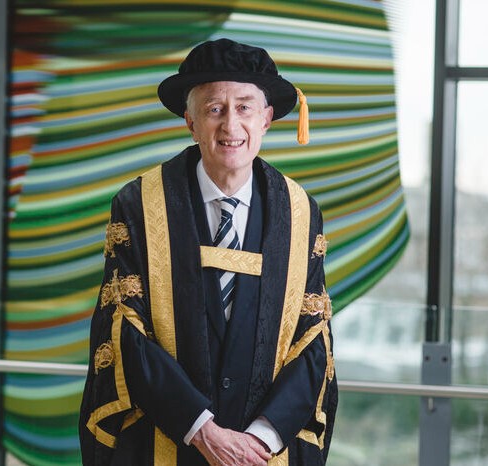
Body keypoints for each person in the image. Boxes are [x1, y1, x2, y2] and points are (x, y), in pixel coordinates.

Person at [78, 38, 338, 466]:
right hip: (166, 439)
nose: (230, 126)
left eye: (244, 108)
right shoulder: (140, 205)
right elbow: (124, 329)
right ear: (190, 121)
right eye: (214, 109)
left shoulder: (301, 213)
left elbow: (313, 340)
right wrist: (202, 431)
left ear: (268, 118)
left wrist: (260, 439)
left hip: (263, 453)